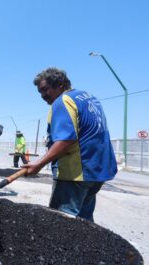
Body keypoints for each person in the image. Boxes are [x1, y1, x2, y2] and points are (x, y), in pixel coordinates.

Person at [24, 67, 117, 221]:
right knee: (84, 222)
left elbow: (66, 140)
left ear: (60, 84)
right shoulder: (87, 97)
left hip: (76, 174)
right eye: (40, 92)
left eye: (45, 90)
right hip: (97, 171)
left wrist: (38, 165)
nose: (43, 95)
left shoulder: (62, 102)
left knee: (61, 224)